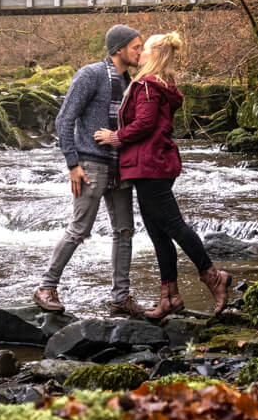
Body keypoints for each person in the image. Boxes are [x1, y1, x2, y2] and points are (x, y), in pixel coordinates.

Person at [94, 32, 231, 318]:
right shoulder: (162, 84)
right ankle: (169, 297)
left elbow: (144, 123)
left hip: (148, 165)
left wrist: (115, 137)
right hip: (154, 163)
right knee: (158, 233)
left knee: (174, 226)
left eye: (144, 49)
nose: (139, 52)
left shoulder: (146, 85)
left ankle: (214, 277)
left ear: (153, 55)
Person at [33, 24, 146, 317]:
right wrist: (73, 164)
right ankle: (46, 287)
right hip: (91, 163)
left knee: (125, 231)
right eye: (136, 47)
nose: (140, 52)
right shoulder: (91, 74)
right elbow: (64, 119)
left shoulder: (130, 81)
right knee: (79, 229)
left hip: (120, 166)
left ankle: (121, 298)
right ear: (119, 48)